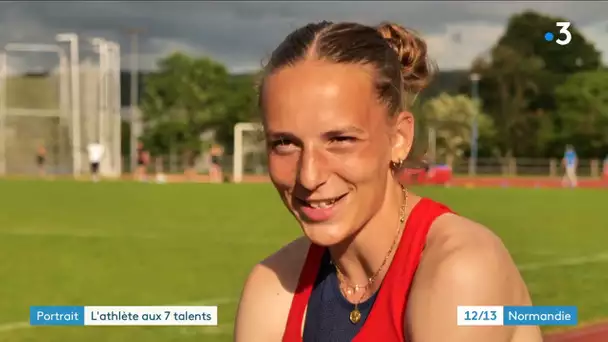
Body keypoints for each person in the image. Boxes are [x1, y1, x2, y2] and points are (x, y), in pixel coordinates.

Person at [234, 21, 541, 342]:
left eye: (340, 139)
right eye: (285, 143)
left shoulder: (462, 268)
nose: (309, 176)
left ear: (399, 138)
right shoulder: (274, 285)